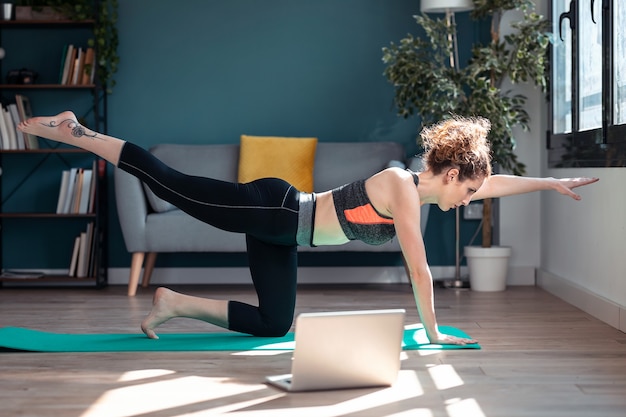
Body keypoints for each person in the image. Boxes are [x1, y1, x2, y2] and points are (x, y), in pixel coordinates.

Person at [18, 112, 598, 345]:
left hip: (281, 236)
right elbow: (419, 270)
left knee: (275, 325)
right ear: (445, 174)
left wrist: (549, 185)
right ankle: (77, 130)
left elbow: (493, 182)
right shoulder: (400, 186)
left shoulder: (426, 189)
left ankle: (172, 302)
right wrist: (435, 331)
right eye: (466, 190)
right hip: (274, 210)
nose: (470, 199)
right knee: (169, 181)